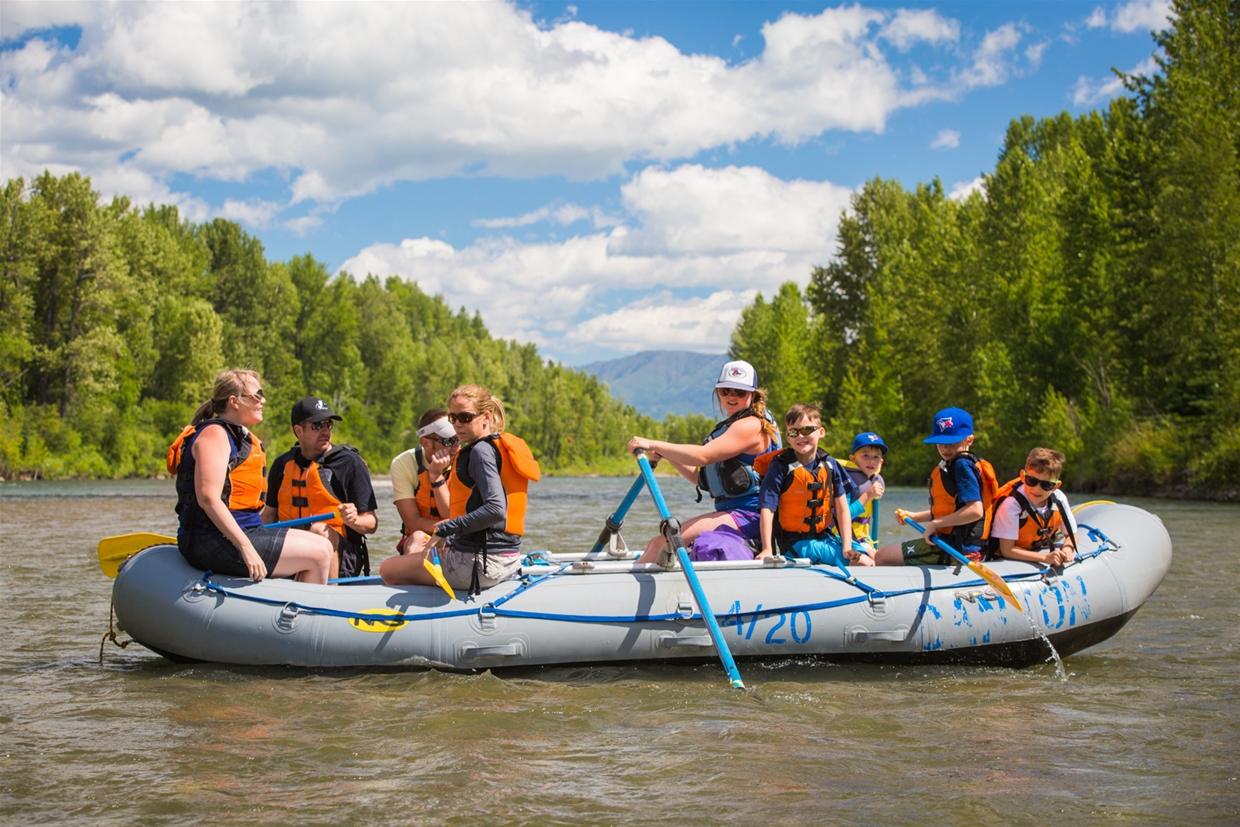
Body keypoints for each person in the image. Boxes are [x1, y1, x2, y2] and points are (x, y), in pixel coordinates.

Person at [167, 369, 333, 584]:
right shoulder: (215, 435)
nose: (263, 400)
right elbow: (208, 498)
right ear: (234, 402)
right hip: (212, 539)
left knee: (324, 545)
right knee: (318, 554)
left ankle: (300, 605)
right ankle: (310, 615)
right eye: (257, 395)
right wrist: (246, 547)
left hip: (243, 532)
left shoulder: (235, 435)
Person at [381, 385, 541, 595]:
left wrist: (446, 529)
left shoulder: (480, 452)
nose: (457, 424)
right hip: (507, 558)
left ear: (485, 417)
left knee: (387, 569)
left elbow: (495, 509)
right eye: (452, 418)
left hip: (479, 564)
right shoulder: (496, 446)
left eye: (465, 417)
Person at [626, 360, 780, 565]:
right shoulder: (735, 425)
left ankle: (622, 589)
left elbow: (703, 456)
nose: (731, 397)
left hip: (751, 515)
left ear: (752, 395)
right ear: (718, 393)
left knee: (661, 543)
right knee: (659, 542)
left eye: (739, 392)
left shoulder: (751, 425)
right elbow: (700, 478)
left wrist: (653, 443)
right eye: (725, 391)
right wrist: (668, 454)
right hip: (735, 513)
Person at [264, 397, 379, 579]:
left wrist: (354, 520)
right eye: (317, 426)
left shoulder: (349, 463)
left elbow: (371, 524)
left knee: (319, 530)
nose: (325, 431)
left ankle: (328, 594)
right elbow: (268, 517)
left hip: (342, 556)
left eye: (328, 424)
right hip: (292, 550)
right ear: (298, 430)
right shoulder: (282, 464)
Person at [874, 406, 997, 567]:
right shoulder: (961, 464)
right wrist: (917, 517)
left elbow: (975, 510)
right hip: (961, 545)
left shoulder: (962, 466)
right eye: (940, 442)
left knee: (881, 557)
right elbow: (952, 509)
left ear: (969, 440)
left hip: (957, 549)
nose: (945, 447)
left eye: (951, 441)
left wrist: (935, 524)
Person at [755, 404, 865, 566]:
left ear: (821, 432)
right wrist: (767, 549)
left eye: (807, 430)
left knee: (870, 553)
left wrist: (847, 546)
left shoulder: (830, 466)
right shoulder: (780, 467)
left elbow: (842, 510)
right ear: (788, 437)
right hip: (796, 544)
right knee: (865, 562)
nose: (800, 436)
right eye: (794, 432)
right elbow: (767, 508)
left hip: (824, 536)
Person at [989, 447, 1077, 566]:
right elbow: (1007, 550)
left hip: (1036, 548)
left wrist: (1067, 550)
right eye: (1032, 481)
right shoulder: (1011, 506)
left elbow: (1072, 535)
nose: (1036, 489)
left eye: (1046, 485)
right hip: (1004, 561)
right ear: (1023, 476)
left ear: (1056, 486)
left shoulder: (1059, 499)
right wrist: (1045, 557)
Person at [389, 408, 460, 554]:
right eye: (448, 440)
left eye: (458, 438)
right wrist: (435, 474)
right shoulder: (403, 464)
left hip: (458, 538)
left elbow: (450, 516)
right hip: (420, 536)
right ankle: (412, 573)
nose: (456, 446)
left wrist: (436, 476)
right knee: (418, 537)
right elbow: (413, 523)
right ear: (426, 443)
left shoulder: (468, 461)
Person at [840, 431, 887, 553]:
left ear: (881, 462)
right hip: (840, 535)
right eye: (865, 456)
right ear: (853, 459)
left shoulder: (876, 481)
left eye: (876, 457)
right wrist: (868, 495)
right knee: (874, 559)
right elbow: (844, 515)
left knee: (881, 557)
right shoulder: (846, 481)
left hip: (863, 537)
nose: (871, 461)